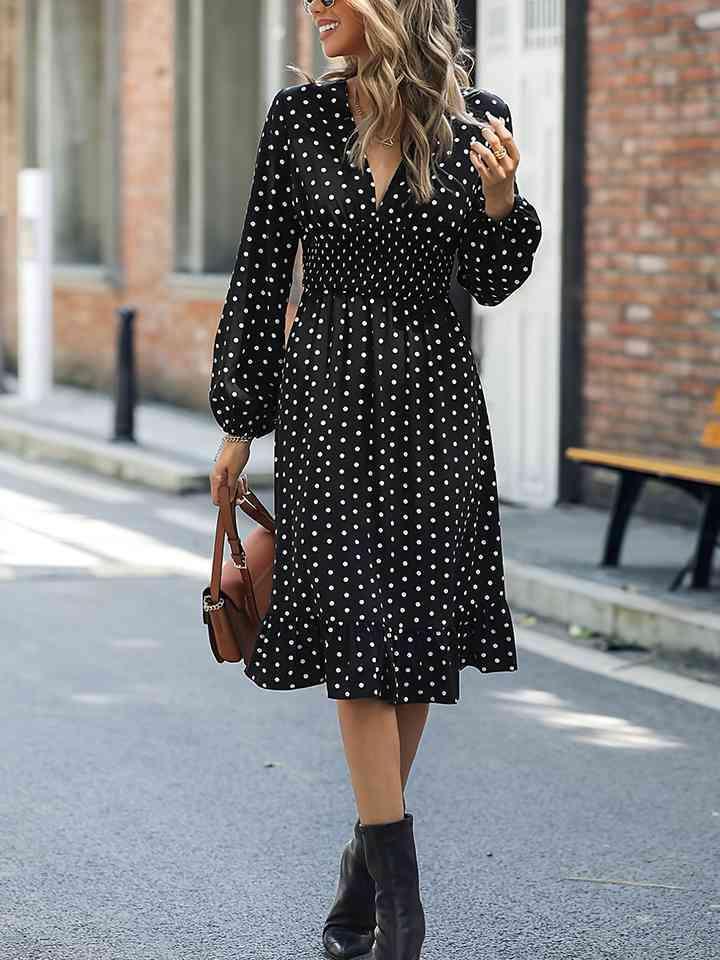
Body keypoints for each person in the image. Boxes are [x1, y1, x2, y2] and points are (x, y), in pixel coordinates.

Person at [208, 1, 542, 957]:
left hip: (435, 413)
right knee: (359, 634)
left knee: (417, 641)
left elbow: (493, 278)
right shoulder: (300, 117)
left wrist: (501, 208)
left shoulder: (477, 119)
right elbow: (262, 274)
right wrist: (240, 420)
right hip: (328, 412)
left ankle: (362, 880)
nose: (316, 3)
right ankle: (403, 913)